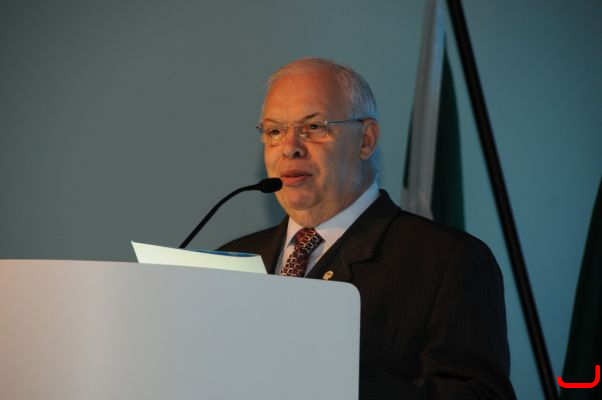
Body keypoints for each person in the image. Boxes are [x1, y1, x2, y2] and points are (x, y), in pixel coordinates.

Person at [219, 58, 516, 399]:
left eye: (313, 127)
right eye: (274, 131)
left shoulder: (449, 260)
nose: (290, 147)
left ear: (366, 140)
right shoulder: (232, 259)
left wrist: (330, 376)